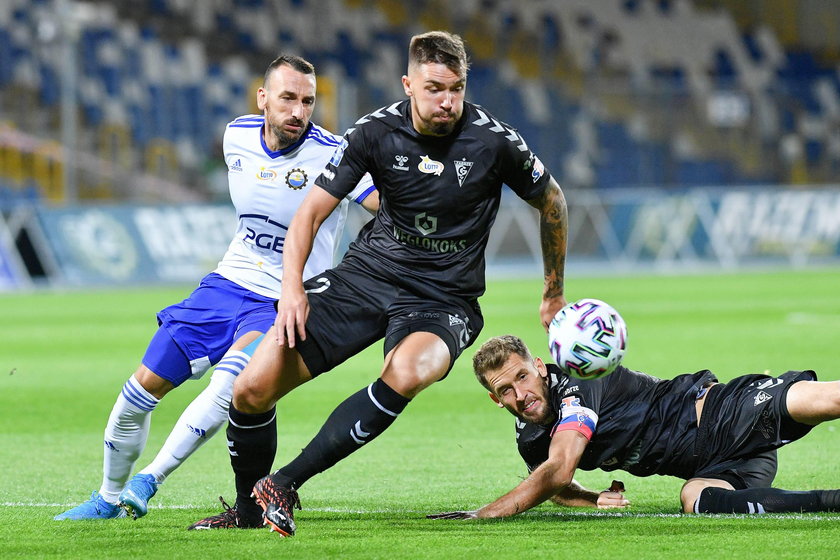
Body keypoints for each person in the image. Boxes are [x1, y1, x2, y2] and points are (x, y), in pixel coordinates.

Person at [189, 30, 569, 535]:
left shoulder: (494, 141)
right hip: (368, 277)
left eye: (457, 88)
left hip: (445, 297)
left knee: (412, 369)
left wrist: (553, 290)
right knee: (252, 388)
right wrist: (291, 290)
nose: (448, 101)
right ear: (408, 84)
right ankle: (248, 513)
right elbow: (310, 214)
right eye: (435, 88)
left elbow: (553, 201)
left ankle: (285, 482)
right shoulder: (373, 132)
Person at [54, 55, 378, 521]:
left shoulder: (334, 153)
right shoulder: (237, 136)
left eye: (308, 101)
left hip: (283, 300)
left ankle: (150, 480)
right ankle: (106, 497)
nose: (298, 111)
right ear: (262, 98)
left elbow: (385, 206)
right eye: (287, 98)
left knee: (230, 386)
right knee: (137, 394)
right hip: (225, 285)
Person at [428, 334, 840, 520]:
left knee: (828, 399)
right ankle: (830, 501)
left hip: (723, 410)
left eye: (522, 377)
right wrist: (592, 500)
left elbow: (558, 470)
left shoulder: (579, 381)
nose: (520, 394)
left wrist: (483, 514)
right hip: (714, 464)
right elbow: (555, 485)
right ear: (494, 399)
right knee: (697, 499)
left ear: (540, 367)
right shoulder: (532, 437)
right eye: (505, 390)